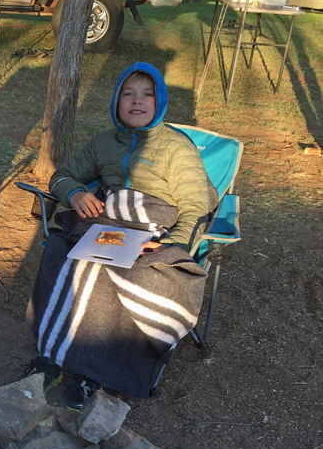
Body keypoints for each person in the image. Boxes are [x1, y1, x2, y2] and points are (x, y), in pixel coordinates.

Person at [27, 62, 217, 404]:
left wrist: (170, 247)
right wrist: (75, 193)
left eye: (147, 94)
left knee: (125, 274)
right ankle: (53, 354)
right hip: (111, 222)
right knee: (67, 255)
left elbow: (194, 206)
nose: (137, 101)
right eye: (128, 94)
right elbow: (62, 176)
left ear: (159, 102)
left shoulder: (176, 148)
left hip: (155, 228)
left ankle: (92, 373)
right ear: (116, 102)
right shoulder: (103, 143)